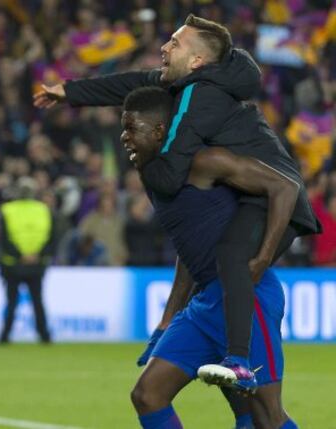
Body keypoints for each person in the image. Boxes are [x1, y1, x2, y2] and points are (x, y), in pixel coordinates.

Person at [33, 14, 321, 389]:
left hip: (277, 196)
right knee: (215, 251)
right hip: (254, 191)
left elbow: (172, 162)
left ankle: (239, 360)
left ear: (198, 60)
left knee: (232, 255)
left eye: (175, 43)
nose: (165, 48)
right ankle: (213, 350)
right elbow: (133, 83)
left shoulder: (201, 95)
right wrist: (69, 92)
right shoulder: (189, 83)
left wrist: (150, 172)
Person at [121, 87, 298, 428]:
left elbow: (285, 187)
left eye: (132, 128)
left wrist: (261, 260)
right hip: (205, 302)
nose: (124, 136)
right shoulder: (154, 176)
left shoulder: (203, 161)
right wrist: (167, 318)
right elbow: (190, 248)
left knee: (265, 416)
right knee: (147, 395)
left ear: (159, 131)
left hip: (247, 296)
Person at [0, 177, 54, 344]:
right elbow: (51, 237)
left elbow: (3, 238)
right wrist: (37, 255)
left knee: (12, 302)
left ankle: (5, 336)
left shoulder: (7, 209)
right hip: (36, 264)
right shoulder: (43, 209)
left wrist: (19, 255)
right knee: (37, 301)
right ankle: (44, 336)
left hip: (13, 264)